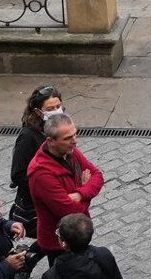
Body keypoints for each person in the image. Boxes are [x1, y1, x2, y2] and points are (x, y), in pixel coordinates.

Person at [8, 83, 63, 279]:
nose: (56, 111)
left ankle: (27, 263)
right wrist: (43, 184)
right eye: (50, 108)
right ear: (38, 111)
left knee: (57, 237)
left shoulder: (60, 127)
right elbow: (18, 175)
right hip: (36, 201)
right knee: (54, 238)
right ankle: (28, 269)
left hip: (57, 196)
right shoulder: (28, 137)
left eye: (58, 106)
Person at [27, 110, 104, 258]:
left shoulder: (70, 151)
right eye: (68, 138)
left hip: (78, 233)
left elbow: (98, 175)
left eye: (75, 134)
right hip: (59, 243)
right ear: (51, 141)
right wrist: (84, 188)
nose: (75, 140)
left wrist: (80, 194)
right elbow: (69, 211)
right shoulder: (41, 174)